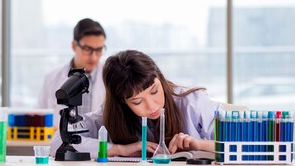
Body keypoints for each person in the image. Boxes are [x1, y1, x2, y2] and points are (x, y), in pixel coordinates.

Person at [50, 49, 223, 158]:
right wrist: (119, 149)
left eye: (154, 91)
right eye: (137, 101)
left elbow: (245, 145)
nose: (152, 105)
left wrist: (199, 144)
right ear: (122, 102)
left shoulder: (192, 103)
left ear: (160, 79)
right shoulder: (110, 116)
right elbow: (59, 142)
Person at [37, 18, 107, 128]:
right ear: (74, 46)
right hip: (61, 142)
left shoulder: (110, 78)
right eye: (87, 49)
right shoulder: (51, 78)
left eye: (99, 50)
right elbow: (40, 118)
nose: (93, 56)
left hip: (96, 143)